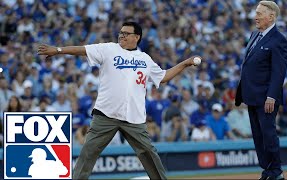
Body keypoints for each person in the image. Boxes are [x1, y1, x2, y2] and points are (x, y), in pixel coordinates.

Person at [37, 21, 201, 180]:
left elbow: (163, 77)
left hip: (133, 118)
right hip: (106, 114)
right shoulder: (108, 49)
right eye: (120, 33)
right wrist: (58, 50)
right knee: (88, 152)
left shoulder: (145, 59)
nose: (121, 36)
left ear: (136, 37)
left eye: (126, 33)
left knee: (149, 153)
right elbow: (82, 50)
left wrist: (185, 64)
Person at [235, 1, 287, 180]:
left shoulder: (279, 40)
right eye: (256, 13)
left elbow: (278, 72)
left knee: (268, 135)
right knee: (258, 138)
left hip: (266, 98)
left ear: (271, 16)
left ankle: (276, 172)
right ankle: (267, 171)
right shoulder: (254, 35)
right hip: (252, 96)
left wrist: (271, 96)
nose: (255, 17)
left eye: (259, 13)